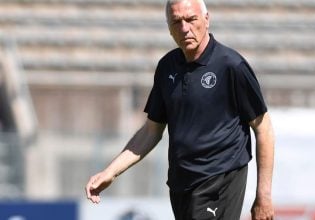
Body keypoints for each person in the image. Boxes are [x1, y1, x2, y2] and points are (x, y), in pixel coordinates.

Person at [85, 0, 275, 219]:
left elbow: (264, 129)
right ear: (168, 28)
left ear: (206, 19)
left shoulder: (231, 66)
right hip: (181, 185)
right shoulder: (167, 67)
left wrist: (264, 195)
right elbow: (151, 131)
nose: (184, 28)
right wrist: (110, 172)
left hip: (219, 181)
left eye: (191, 19)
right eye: (177, 21)